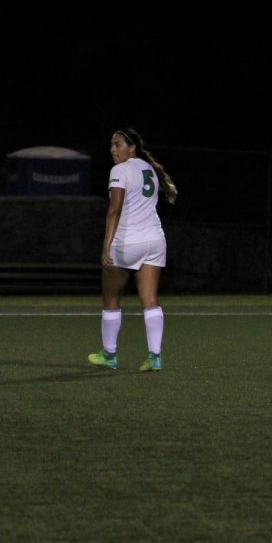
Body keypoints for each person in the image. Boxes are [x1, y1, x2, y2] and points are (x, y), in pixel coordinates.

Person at [87, 127, 178, 372]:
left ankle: (109, 355)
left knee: (111, 298)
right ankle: (155, 357)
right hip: (155, 240)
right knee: (150, 299)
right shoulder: (149, 168)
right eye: (111, 145)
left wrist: (106, 245)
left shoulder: (120, 170)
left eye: (118, 144)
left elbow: (114, 210)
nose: (113, 149)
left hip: (128, 241)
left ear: (132, 147)